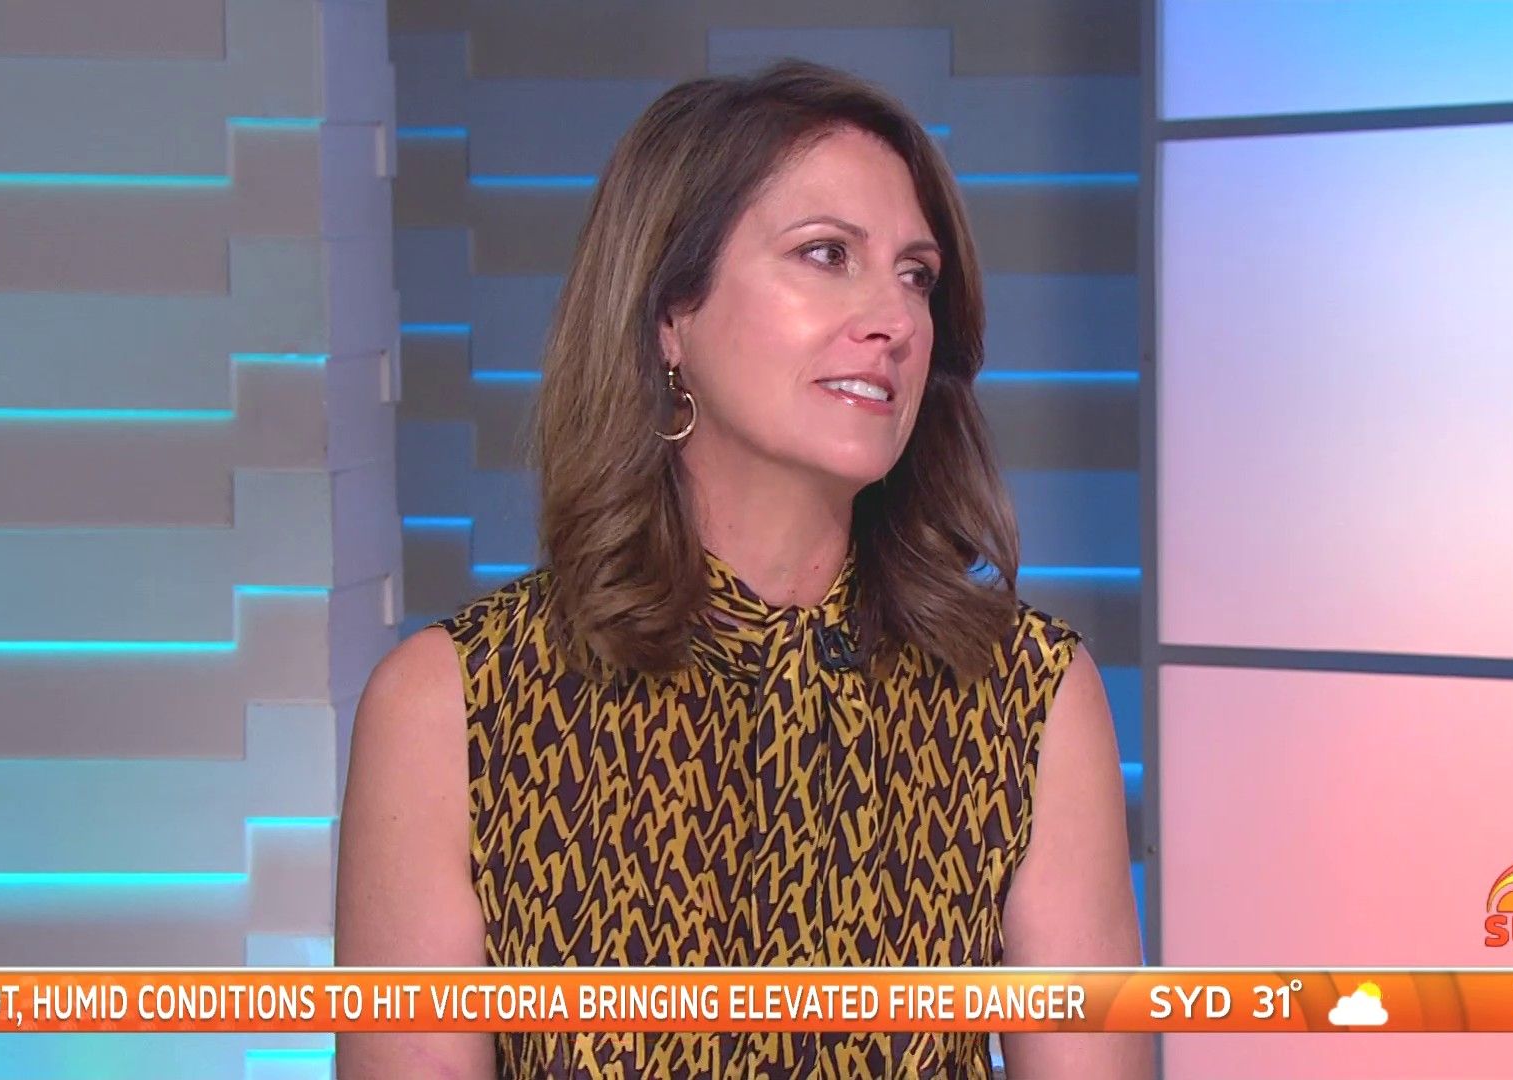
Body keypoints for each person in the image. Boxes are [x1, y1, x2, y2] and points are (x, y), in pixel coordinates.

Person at [335, 58, 1151, 1078]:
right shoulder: (456, 707)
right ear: (670, 314)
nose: (895, 319)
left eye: (916, 275)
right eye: (826, 254)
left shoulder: (1025, 696)